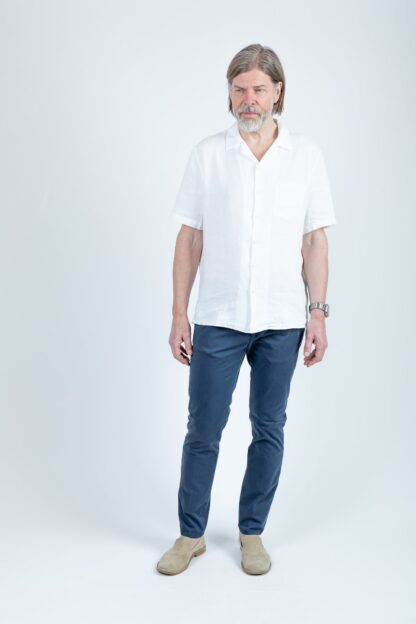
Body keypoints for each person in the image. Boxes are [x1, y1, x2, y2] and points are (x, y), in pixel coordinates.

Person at [156, 43, 336, 576]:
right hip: (219, 315)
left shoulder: (305, 156)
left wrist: (318, 313)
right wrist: (179, 313)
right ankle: (190, 534)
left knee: (269, 427)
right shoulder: (208, 155)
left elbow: (314, 240)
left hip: (283, 320)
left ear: (278, 91)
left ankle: (251, 532)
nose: (248, 99)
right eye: (239, 90)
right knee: (203, 429)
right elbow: (190, 238)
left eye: (258, 89)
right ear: (229, 93)